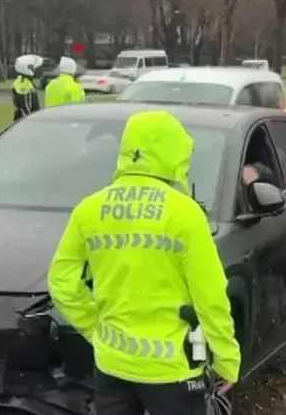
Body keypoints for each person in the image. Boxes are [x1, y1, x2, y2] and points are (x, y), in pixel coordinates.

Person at [47, 110, 241, 415]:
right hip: (174, 370)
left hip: (112, 365)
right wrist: (226, 357)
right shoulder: (185, 214)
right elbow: (211, 295)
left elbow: (62, 282)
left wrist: (94, 328)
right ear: (173, 151)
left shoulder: (88, 209)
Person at [12, 54, 42, 121]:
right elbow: (24, 104)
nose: (33, 69)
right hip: (24, 118)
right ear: (25, 68)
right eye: (31, 67)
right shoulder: (23, 82)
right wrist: (30, 119)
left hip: (26, 116)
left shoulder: (24, 80)